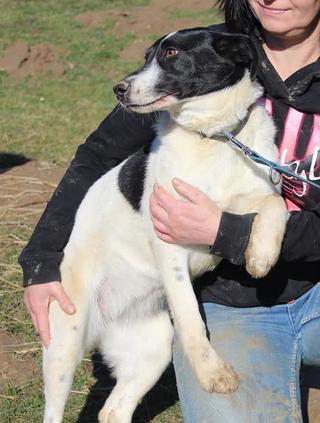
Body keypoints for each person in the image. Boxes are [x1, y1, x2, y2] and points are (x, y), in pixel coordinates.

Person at [19, 0, 320, 421]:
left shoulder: (222, 73)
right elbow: (98, 156)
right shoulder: (205, 62)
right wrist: (40, 261)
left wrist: (225, 231)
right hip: (232, 304)